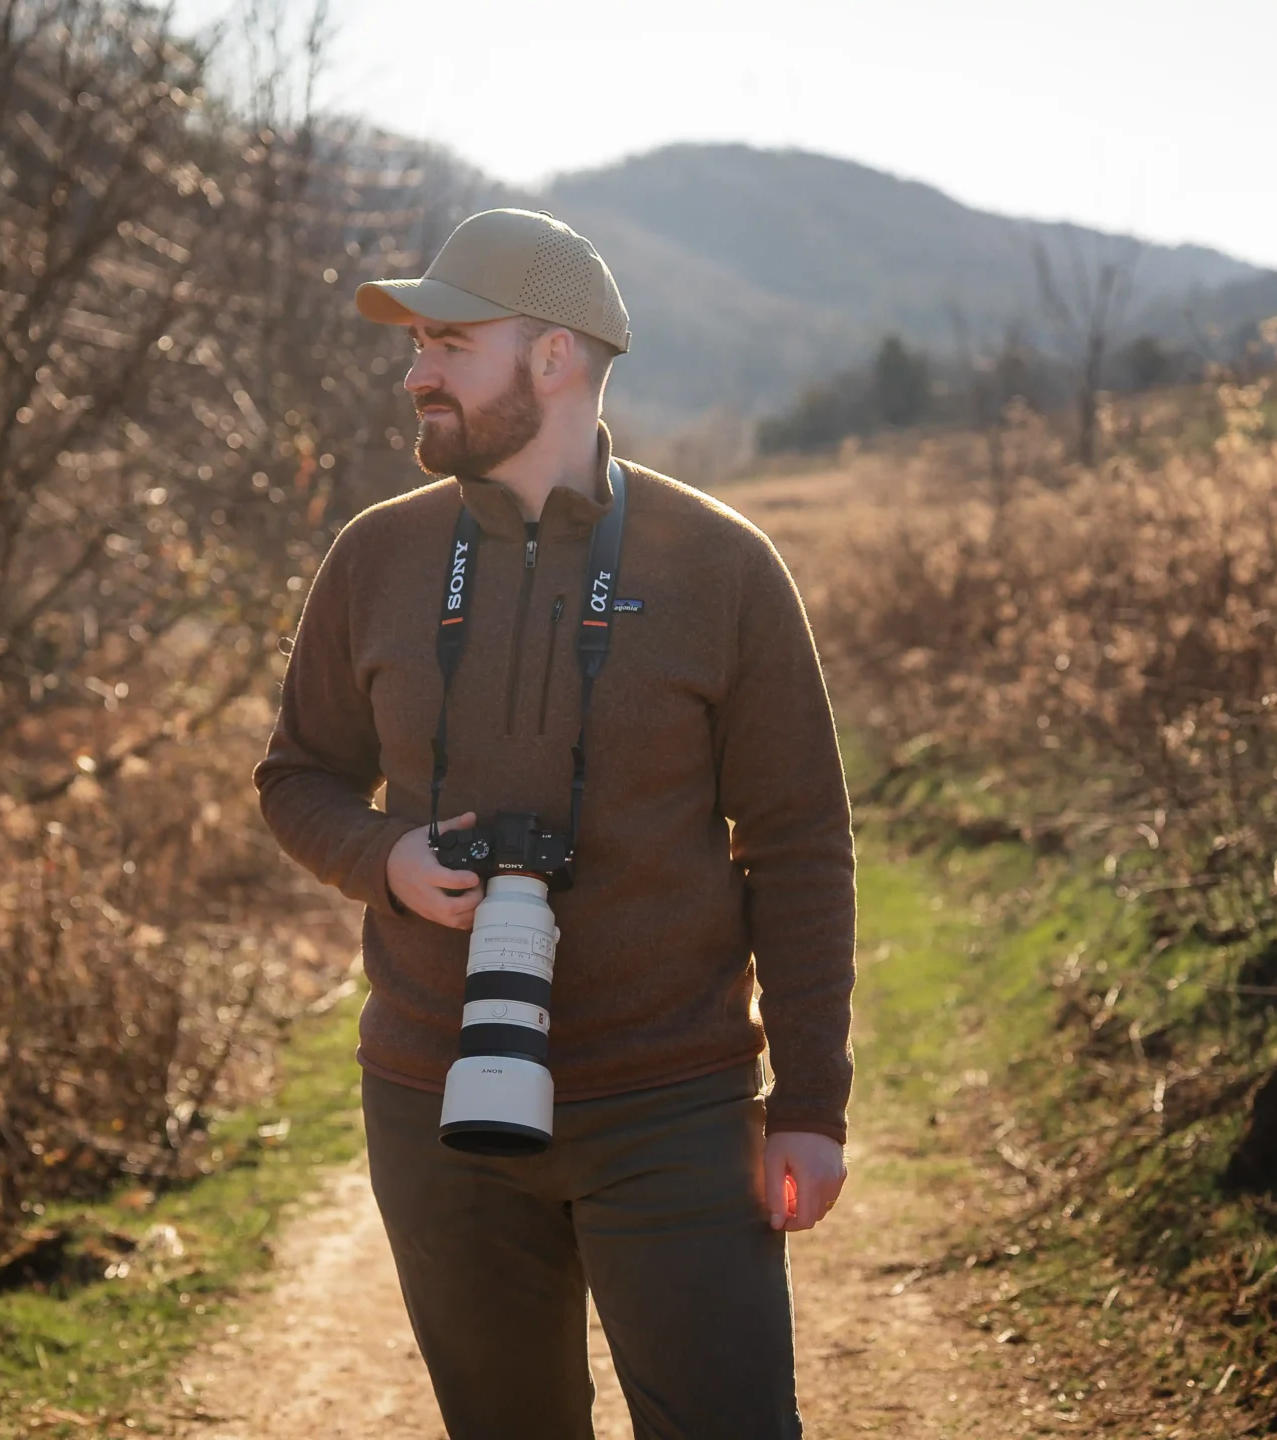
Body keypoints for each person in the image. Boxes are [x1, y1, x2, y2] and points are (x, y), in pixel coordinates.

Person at [253, 207, 854, 1439]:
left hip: (674, 1104)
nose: (413, 370)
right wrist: (388, 860)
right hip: (431, 1101)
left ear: (554, 357)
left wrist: (809, 1101)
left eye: (447, 342)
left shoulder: (723, 566)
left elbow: (797, 845)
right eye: (413, 343)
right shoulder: (376, 557)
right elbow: (295, 777)